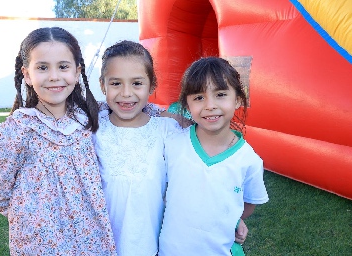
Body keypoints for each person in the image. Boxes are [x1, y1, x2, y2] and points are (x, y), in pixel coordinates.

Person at [93, 41, 248, 256]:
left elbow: (199, 177)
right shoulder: (91, 130)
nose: (126, 93)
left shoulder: (168, 129)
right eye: (116, 83)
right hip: (99, 245)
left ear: (152, 85)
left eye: (137, 83)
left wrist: (231, 216)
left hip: (153, 245)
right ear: (103, 85)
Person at [0, 27, 116, 255]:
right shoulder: (17, 129)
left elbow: (132, 110)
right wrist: (31, 214)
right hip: (38, 241)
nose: (54, 76)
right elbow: (1, 193)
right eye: (43, 67)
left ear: (77, 73)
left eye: (63, 67)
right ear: (27, 74)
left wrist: (172, 113)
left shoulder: (90, 118)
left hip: (89, 237)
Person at [158, 57, 269, 256]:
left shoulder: (248, 160)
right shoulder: (172, 144)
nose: (210, 105)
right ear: (187, 105)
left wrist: (233, 218)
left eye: (220, 94)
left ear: (237, 100)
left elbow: (249, 202)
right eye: (199, 97)